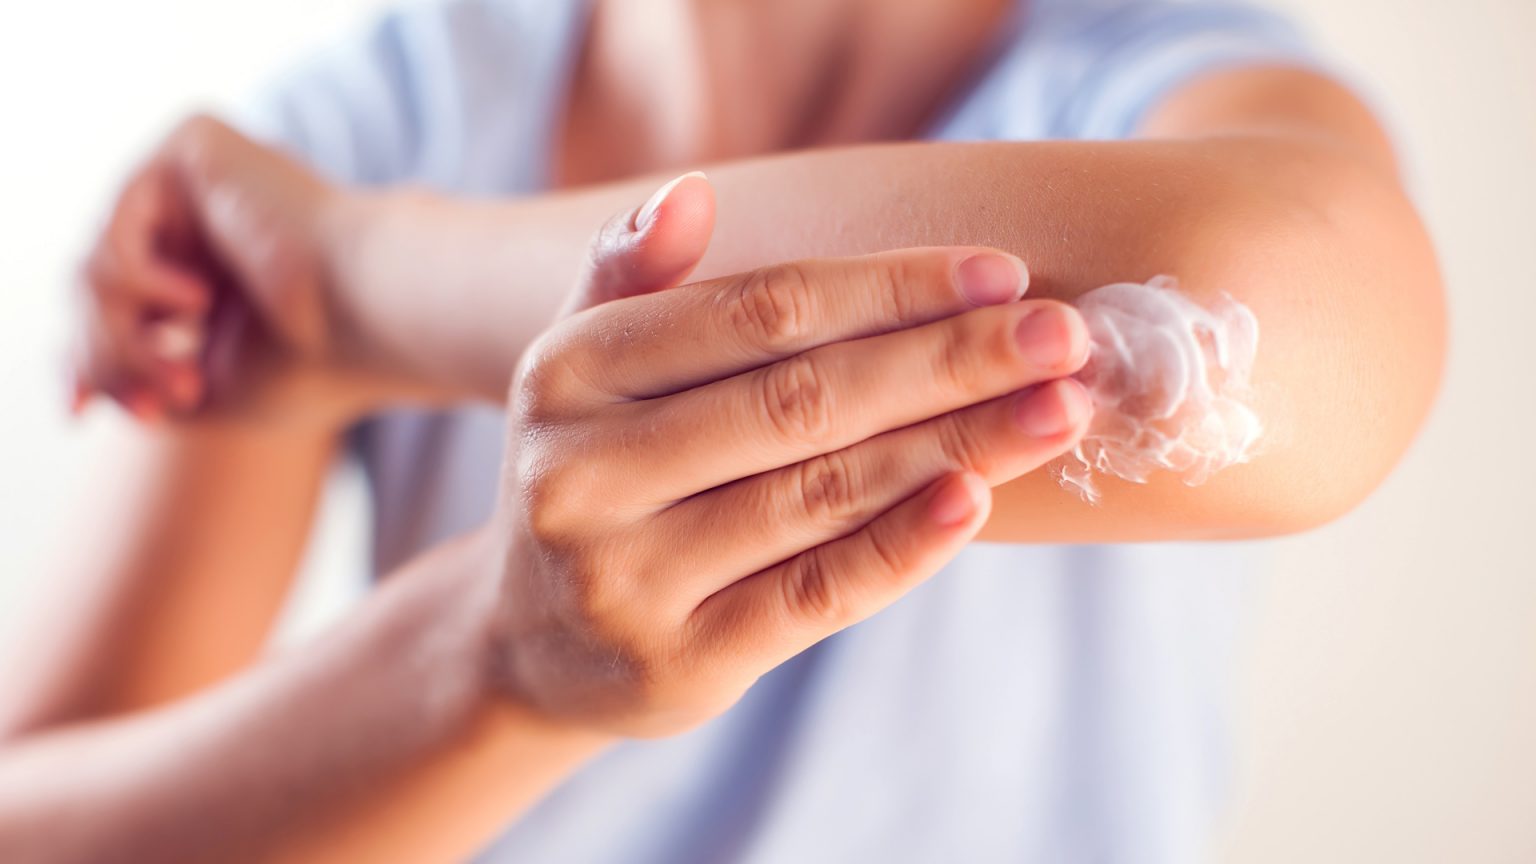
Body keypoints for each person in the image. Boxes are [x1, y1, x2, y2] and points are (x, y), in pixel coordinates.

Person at [0, 0, 1443, 861]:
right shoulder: (360, 131)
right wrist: (493, 678)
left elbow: (1272, 317)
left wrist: (367, 283)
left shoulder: (1158, 79)